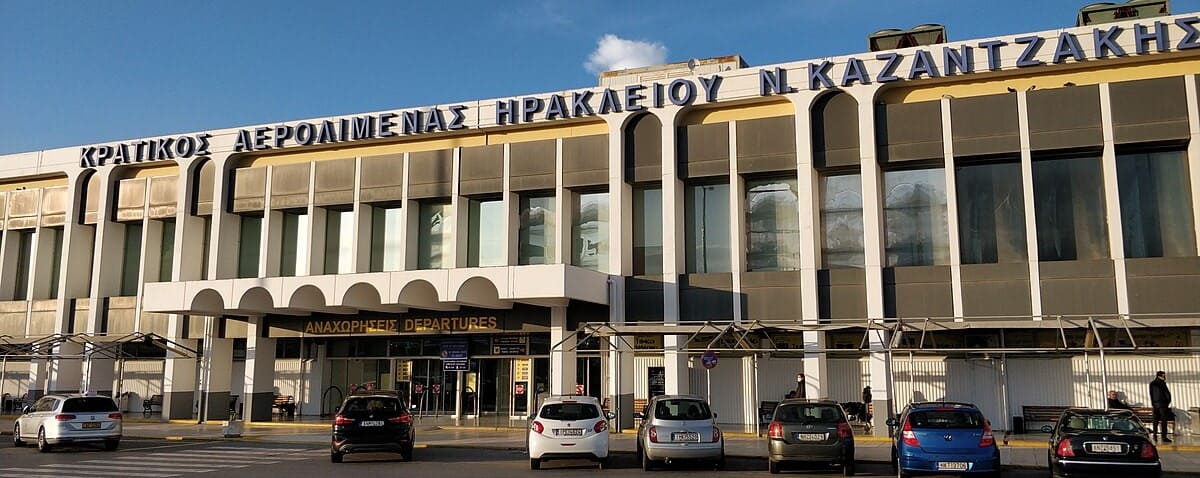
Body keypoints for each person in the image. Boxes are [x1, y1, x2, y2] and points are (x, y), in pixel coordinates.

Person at [1149, 371, 1172, 443]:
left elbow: (1151, 394)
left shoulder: (1152, 383)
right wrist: (1167, 402)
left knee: (1155, 421)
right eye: (1163, 376)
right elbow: (1167, 394)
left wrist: (1153, 403)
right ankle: (1164, 437)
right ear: (1159, 376)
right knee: (1163, 421)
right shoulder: (1161, 384)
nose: (1165, 377)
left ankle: (1155, 435)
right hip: (1162, 405)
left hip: (1155, 405)